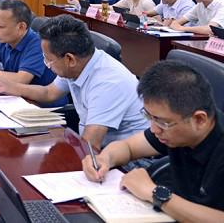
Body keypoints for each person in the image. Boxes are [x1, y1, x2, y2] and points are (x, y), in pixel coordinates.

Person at [82, 61, 224, 220]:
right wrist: (104, 159)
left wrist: (154, 193)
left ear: (199, 120)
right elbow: (128, 147)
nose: (154, 129)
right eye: (149, 117)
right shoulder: (177, 128)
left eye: (162, 122)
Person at [0, 14, 149, 149]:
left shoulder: (108, 82)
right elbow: (49, 92)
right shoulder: (79, 64)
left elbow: (91, 145)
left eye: (48, 60)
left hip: (127, 160)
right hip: (94, 145)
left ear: (70, 59)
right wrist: (9, 86)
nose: (47, 65)